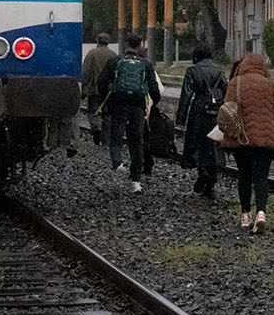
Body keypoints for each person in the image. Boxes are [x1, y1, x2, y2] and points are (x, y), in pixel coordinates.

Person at [221, 53, 274, 233]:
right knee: (261, 177)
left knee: (244, 176)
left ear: (243, 66)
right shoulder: (270, 85)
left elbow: (227, 108)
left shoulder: (235, 83)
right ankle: (261, 213)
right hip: (265, 140)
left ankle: (245, 215)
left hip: (241, 139)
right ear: (263, 67)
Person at [96, 33, 160, 193]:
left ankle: (118, 164)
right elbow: (154, 90)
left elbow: (101, 83)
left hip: (118, 106)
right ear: (139, 46)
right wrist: (154, 102)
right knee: (137, 142)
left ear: (125, 45)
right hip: (138, 108)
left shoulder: (115, 62)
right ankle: (136, 182)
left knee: (116, 139)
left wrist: (107, 98)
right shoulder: (145, 64)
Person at [175, 44, 228, 199]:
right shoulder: (219, 70)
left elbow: (186, 95)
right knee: (214, 145)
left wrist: (181, 119)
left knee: (197, 143)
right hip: (216, 111)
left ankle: (202, 170)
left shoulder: (193, 70)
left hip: (199, 110)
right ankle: (211, 184)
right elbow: (226, 92)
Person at [79, 34, 116, 145]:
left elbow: (86, 72)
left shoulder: (92, 54)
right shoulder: (113, 55)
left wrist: (84, 89)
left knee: (93, 111)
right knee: (107, 115)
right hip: (109, 91)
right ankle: (105, 140)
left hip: (94, 89)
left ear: (97, 41)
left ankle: (96, 128)